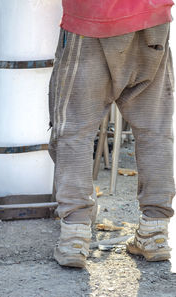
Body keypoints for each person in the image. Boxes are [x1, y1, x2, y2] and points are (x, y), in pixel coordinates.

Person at [49, 0, 175, 268]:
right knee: (155, 130)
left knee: (75, 129)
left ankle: (75, 236)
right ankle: (154, 232)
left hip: (93, 18)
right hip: (152, 20)